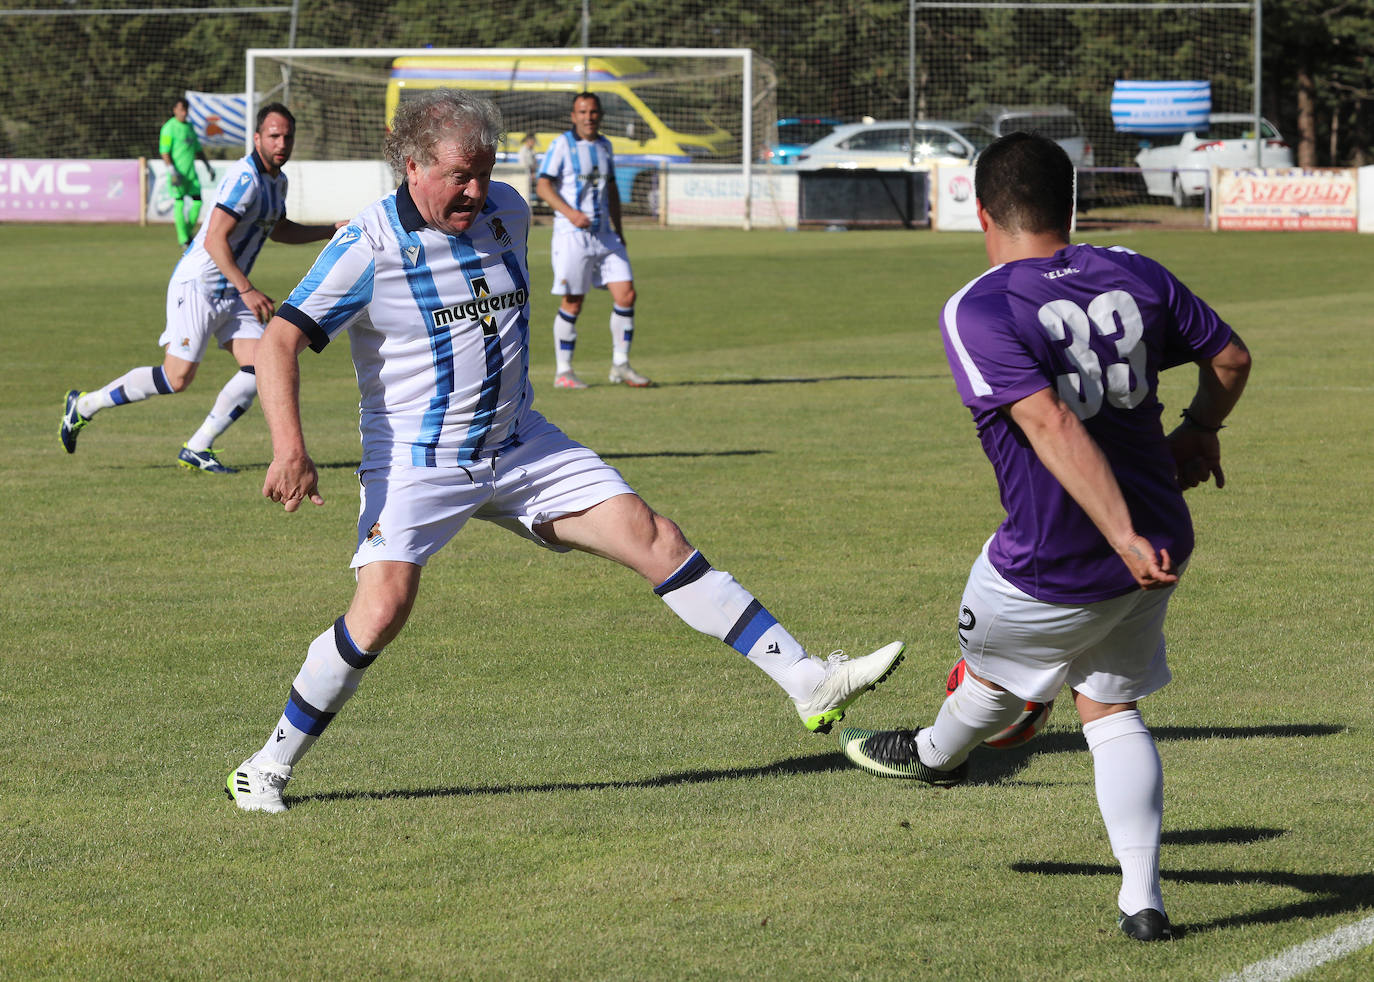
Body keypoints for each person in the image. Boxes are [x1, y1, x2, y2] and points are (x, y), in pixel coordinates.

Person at [224, 89, 905, 814]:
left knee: (655, 537)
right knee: (383, 608)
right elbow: (279, 340)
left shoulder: (508, 212)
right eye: (460, 175)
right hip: (419, 461)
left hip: (521, 445)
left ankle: (807, 681)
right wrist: (289, 448)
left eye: (485, 171)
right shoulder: (368, 247)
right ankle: (265, 767)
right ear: (413, 164)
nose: (477, 190)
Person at [838, 132, 1251, 943]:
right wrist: (1200, 431)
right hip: (1160, 546)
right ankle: (1141, 899)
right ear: (1070, 203)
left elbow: (1048, 420)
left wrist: (1120, 532)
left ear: (981, 210)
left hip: (1057, 558)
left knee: (990, 682)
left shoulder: (978, 304)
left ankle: (932, 754)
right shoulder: (1135, 268)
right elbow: (1231, 359)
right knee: (1110, 705)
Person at [60, 103, 343, 474]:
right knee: (176, 379)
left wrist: (329, 230)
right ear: (257, 138)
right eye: (274, 135)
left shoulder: (278, 181)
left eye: (287, 136)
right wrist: (246, 289)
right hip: (200, 285)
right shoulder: (246, 178)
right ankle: (84, 406)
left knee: (264, 366)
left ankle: (198, 446)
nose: (282, 142)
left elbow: (278, 228)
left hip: (231, 289)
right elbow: (213, 239)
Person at [536, 92, 650, 389]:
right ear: (574, 116)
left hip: (605, 234)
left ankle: (620, 365)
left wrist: (619, 227)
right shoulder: (561, 145)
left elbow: (611, 189)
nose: (589, 117)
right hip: (573, 235)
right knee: (573, 301)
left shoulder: (605, 145)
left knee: (627, 295)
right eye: (582, 112)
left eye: (593, 112)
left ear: (600, 115)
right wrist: (571, 213)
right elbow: (543, 185)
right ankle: (563, 372)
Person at [160, 96, 216, 248]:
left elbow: (198, 150)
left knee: (198, 202)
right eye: (181, 110)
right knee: (179, 203)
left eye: (186, 110)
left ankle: (188, 232)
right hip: (177, 173)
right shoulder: (169, 128)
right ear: (174, 110)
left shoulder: (190, 127)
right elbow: (164, 152)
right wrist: (172, 170)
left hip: (191, 174)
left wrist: (207, 166)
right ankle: (183, 238)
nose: (184, 113)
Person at [517, 131, 539, 206]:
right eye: (532, 141)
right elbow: (523, 165)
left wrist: (534, 173)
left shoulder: (532, 151)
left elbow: (535, 165)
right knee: (525, 194)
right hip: (525, 175)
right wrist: (530, 174)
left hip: (532, 175)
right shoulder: (523, 150)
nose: (533, 143)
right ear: (528, 141)